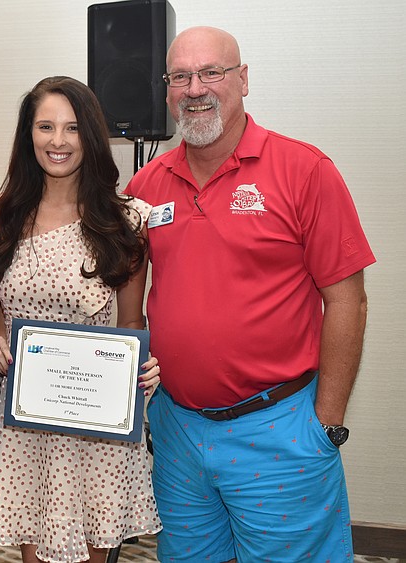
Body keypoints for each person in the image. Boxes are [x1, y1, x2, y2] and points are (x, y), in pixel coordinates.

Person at [125, 26, 376, 562]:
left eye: (211, 72)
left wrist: (326, 423)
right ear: (166, 90)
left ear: (242, 80)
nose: (195, 88)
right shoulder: (147, 186)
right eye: (180, 76)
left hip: (280, 429)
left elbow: (348, 301)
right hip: (178, 431)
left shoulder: (305, 170)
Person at [0, 76, 162, 563]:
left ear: (91, 136)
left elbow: (130, 324)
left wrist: (144, 368)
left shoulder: (126, 221)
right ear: (27, 134)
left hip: (95, 422)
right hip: (26, 421)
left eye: (72, 128)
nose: (58, 141)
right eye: (45, 126)